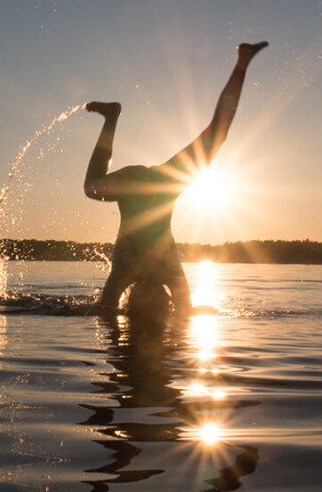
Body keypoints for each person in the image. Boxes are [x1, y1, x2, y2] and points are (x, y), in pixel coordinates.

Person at [84, 41, 268, 313]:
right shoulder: (157, 273)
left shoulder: (134, 272)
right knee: (216, 135)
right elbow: (110, 308)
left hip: (153, 185)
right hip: (156, 185)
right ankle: (111, 118)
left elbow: (106, 310)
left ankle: (112, 118)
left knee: (217, 135)